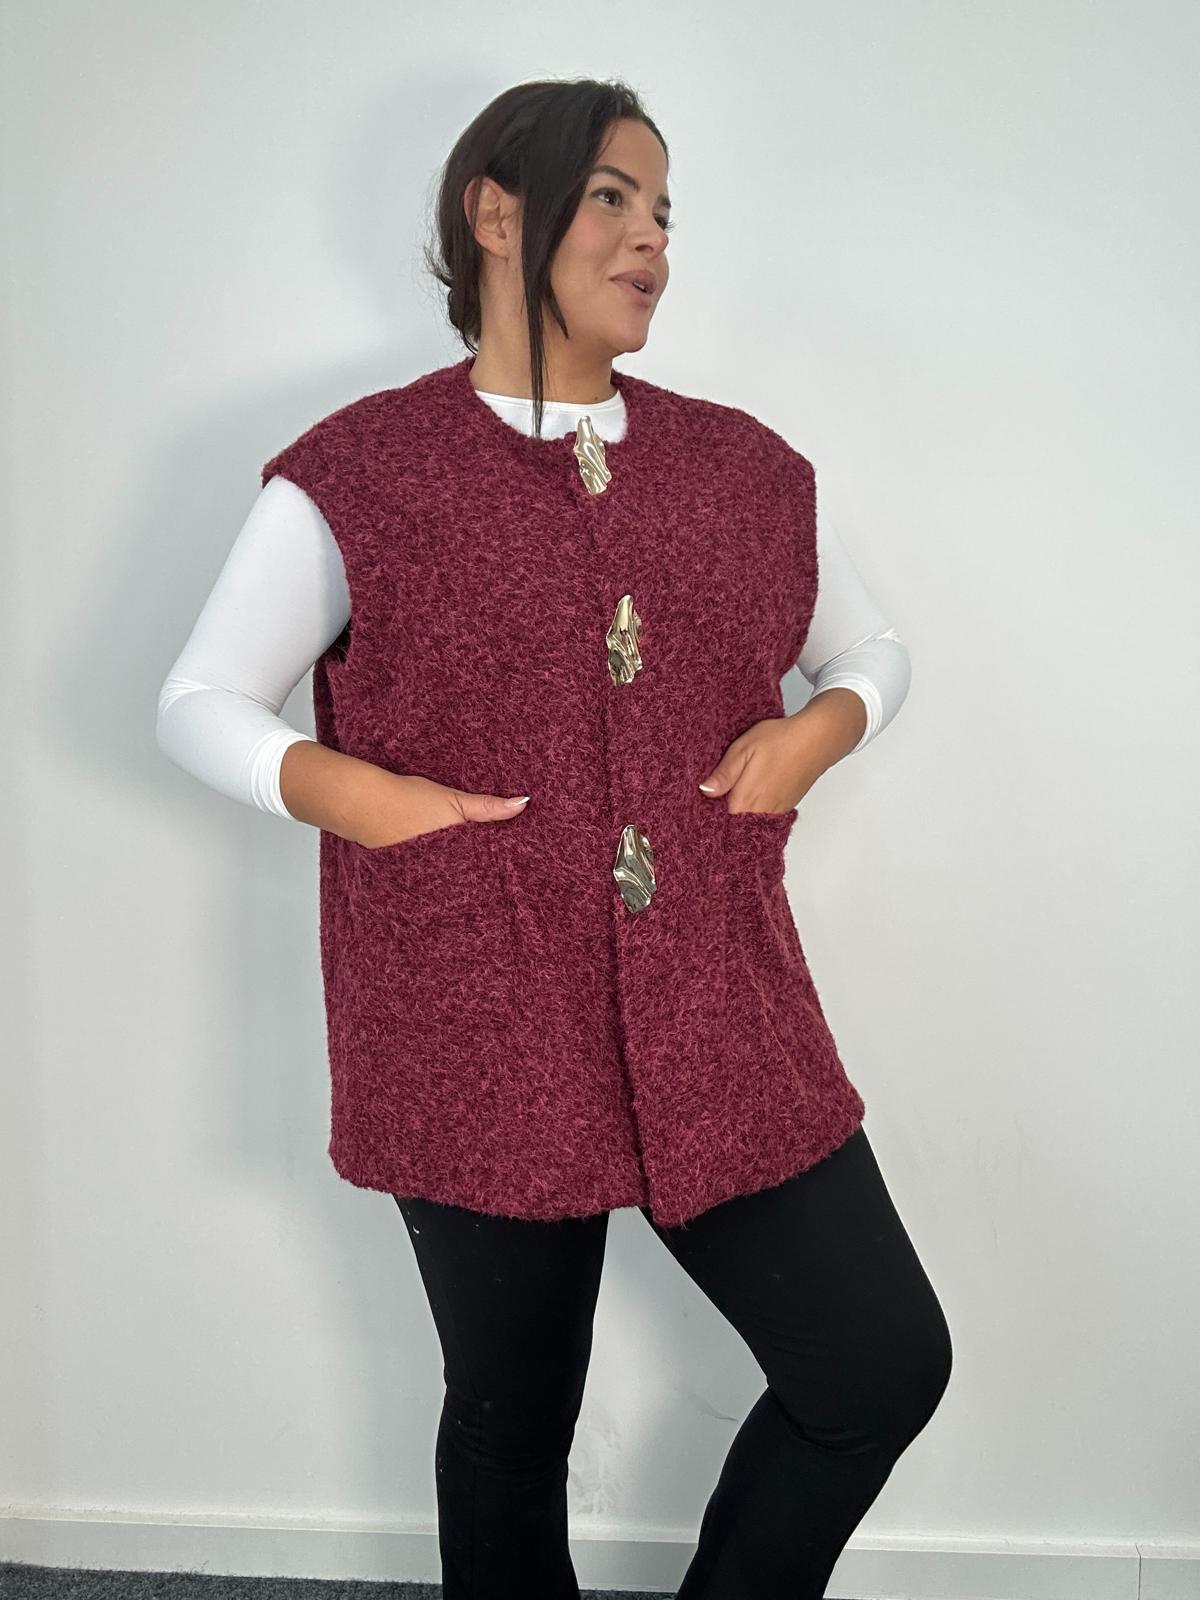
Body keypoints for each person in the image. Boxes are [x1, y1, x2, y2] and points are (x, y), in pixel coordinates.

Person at [157, 76, 952, 1600]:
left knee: (877, 1365)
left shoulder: (744, 471)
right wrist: (364, 797)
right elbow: (199, 700)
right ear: (495, 213)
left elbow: (874, 652)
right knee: (514, 1425)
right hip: (476, 1008)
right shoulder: (365, 473)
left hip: (719, 1002)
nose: (653, 239)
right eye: (612, 198)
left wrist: (818, 732)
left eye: (666, 213)